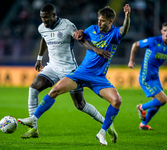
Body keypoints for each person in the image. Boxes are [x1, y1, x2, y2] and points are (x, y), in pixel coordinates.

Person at [18, 4, 131, 145]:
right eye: (99, 19)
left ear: (110, 21)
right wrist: (80, 33)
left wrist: (127, 16)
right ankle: (33, 121)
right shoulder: (91, 29)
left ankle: (104, 127)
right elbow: (80, 35)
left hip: (87, 74)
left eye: (102, 20)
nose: (99, 22)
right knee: (46, 89)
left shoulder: (113, 34)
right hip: (79, 72)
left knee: (82, 104)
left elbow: (123, 30)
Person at [128, 22, 167, 130]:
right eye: (165, 30)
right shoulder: (153, 41)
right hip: (146, 76)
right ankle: (142, 107)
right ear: (161, 31)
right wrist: (131, 61)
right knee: (163, 100)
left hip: (155, 76)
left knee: (158, 104)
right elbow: (135, 44)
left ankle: (143, 124)